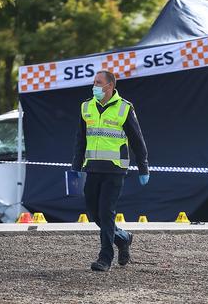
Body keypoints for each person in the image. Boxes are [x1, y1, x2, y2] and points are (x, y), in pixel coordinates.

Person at [71, 70, 149, 272]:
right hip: (92, 168)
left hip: (115, 169)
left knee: (106, 212)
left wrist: (143, 167)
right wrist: (75, 167)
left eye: (98, 82)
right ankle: (122, 237)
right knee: (93, 212)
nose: (94, 85)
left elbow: (137, 140)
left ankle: (105, 257)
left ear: (110, 86)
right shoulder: (86, 106)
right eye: (94, 82)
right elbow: (81, 140)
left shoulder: (124, 108)